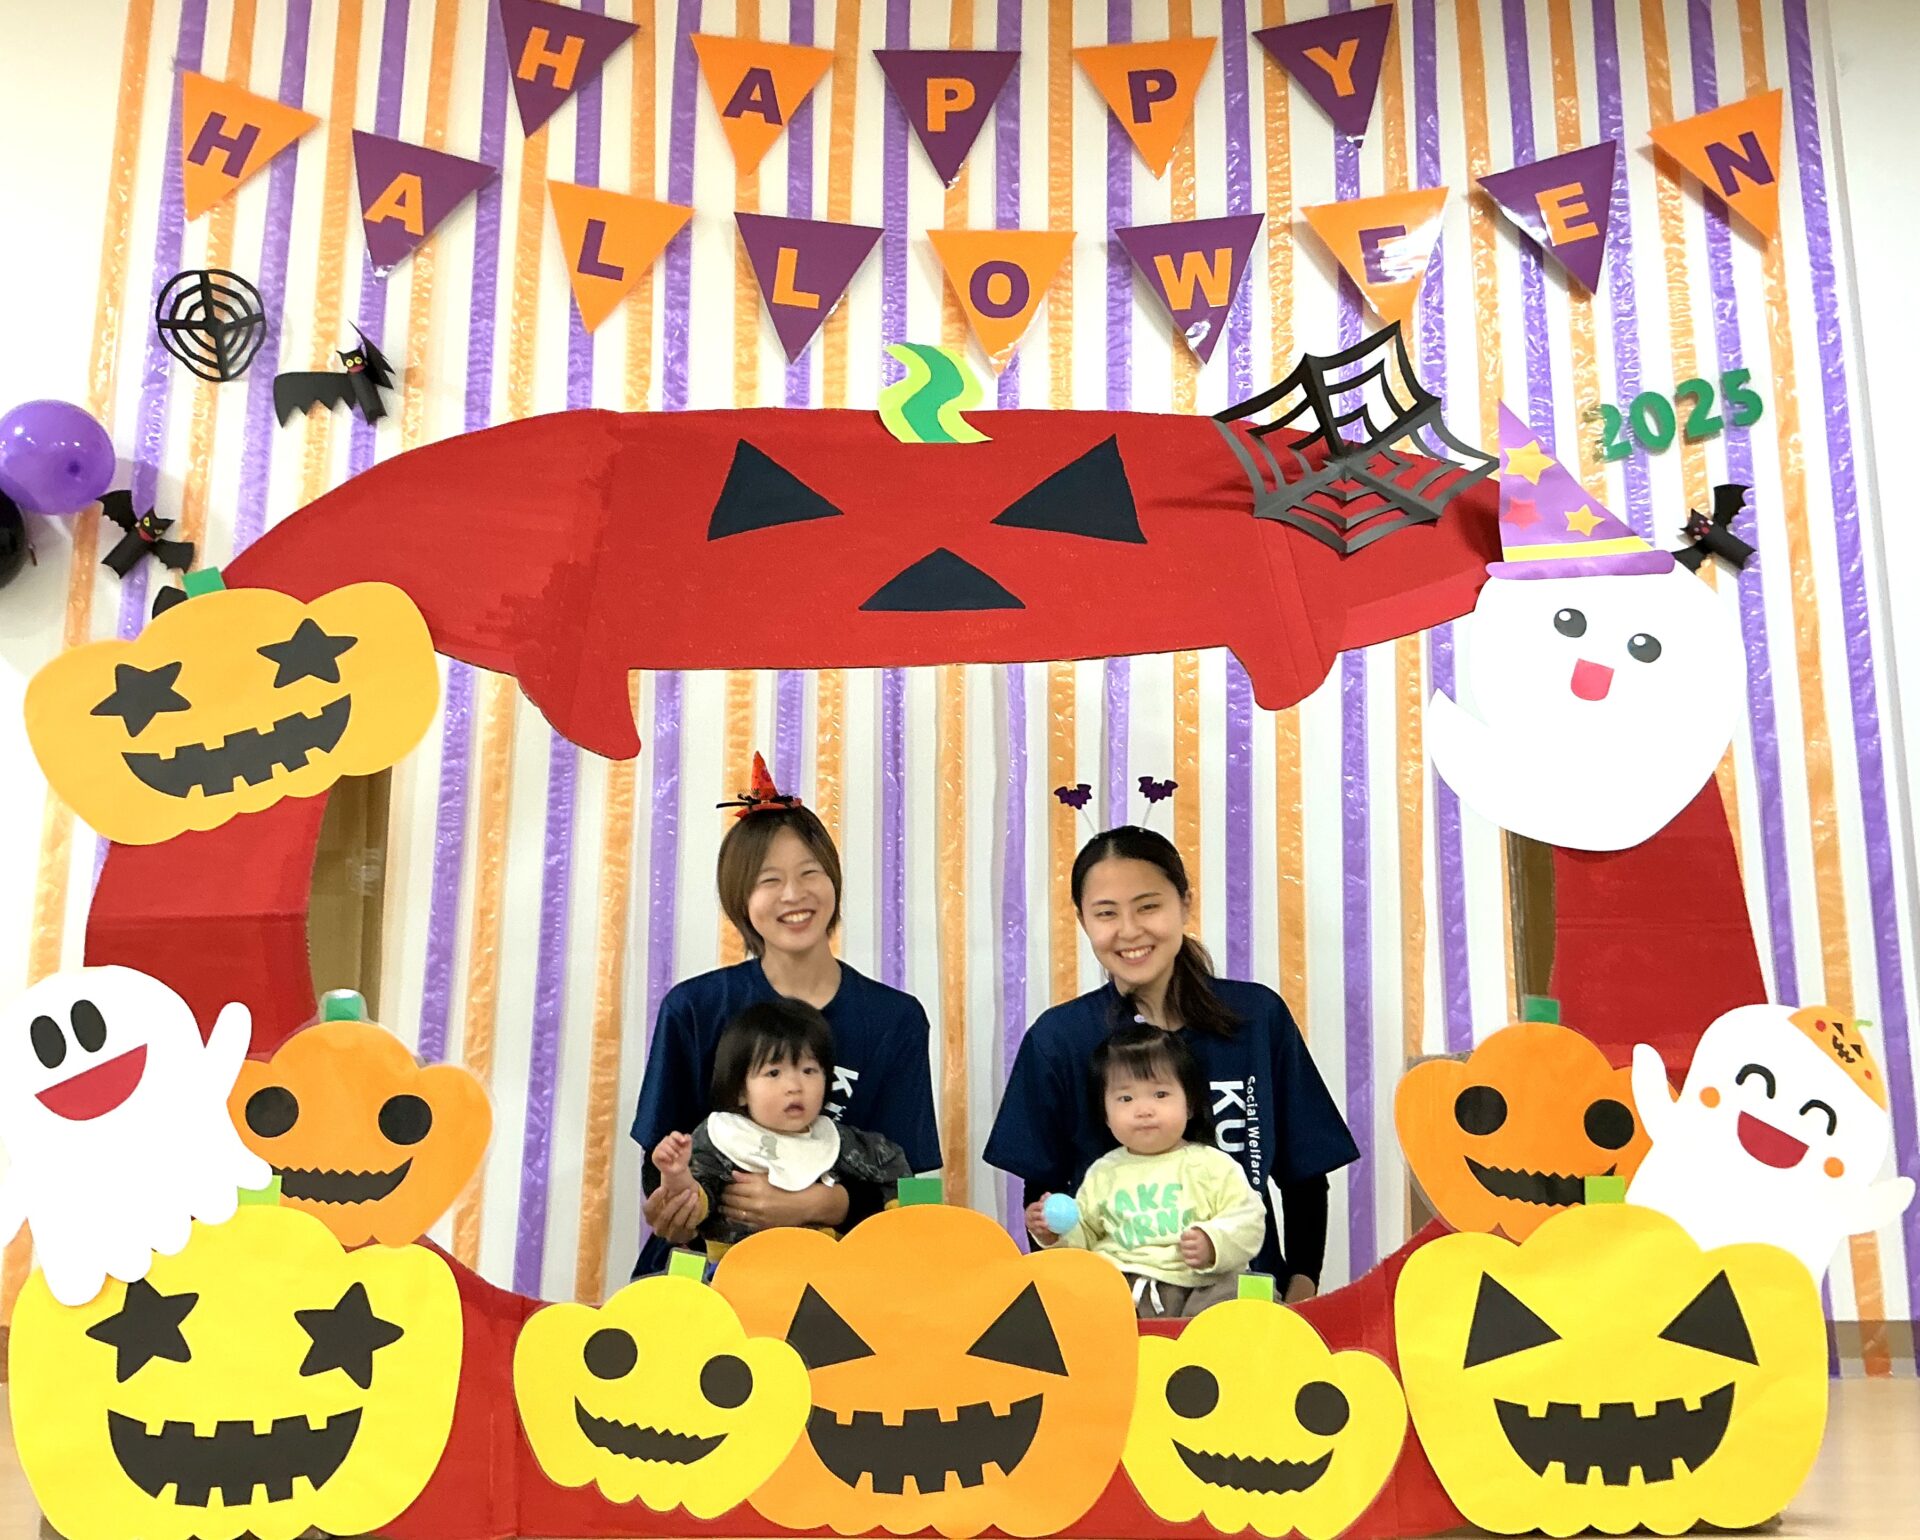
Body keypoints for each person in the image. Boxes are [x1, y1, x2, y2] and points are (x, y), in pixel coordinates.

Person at [986, 825, 1357, 1302]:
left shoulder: (1256, 1019)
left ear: (1185, 903)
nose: (1129, 931)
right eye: (1106, 913)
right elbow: (1044, 1192)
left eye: (1148, 906)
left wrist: (1302, 1292)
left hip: (1245, 1304)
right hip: (1116, 1306)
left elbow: (1304, 1177)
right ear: (1082, 920)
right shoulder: (1058, 1039)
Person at [630, 754, 940, 1276]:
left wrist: (826, 1204)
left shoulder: (895, 1019)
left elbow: (917, 1190)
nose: (794, 895)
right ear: (739, 900)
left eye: (809, 873)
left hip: (844, 1273)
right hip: (708, 1265)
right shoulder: (694, 1009)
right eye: (768, 880)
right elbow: (656, 1170)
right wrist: (676, 1204)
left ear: (833, 880)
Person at [1035, 1021, 1265, 1318]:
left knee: (1239, 1293)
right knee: (1072, 1297)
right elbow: (1085, 1241)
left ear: (1190, 1104)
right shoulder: (1104, 1172)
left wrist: (1213, 1242)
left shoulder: (1212, 1165)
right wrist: (1055, 1232)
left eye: (1160, 1095)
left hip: (1199, 1286)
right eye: (1126, 1098)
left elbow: (1249, 1219)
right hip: (1124, 1291)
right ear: (1106, 1115)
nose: (1144, 1110)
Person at [652, 999, 914, 1257]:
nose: (794, 1086)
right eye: (774, 1073)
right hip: (739, 1269)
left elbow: (894, 1167)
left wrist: (902, 1215)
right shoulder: (723, 1137)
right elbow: (699, 1201)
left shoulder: (838, 1141)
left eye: (809, 1071)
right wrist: (677, 1176)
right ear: (741, 1090)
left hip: (826, 1268)